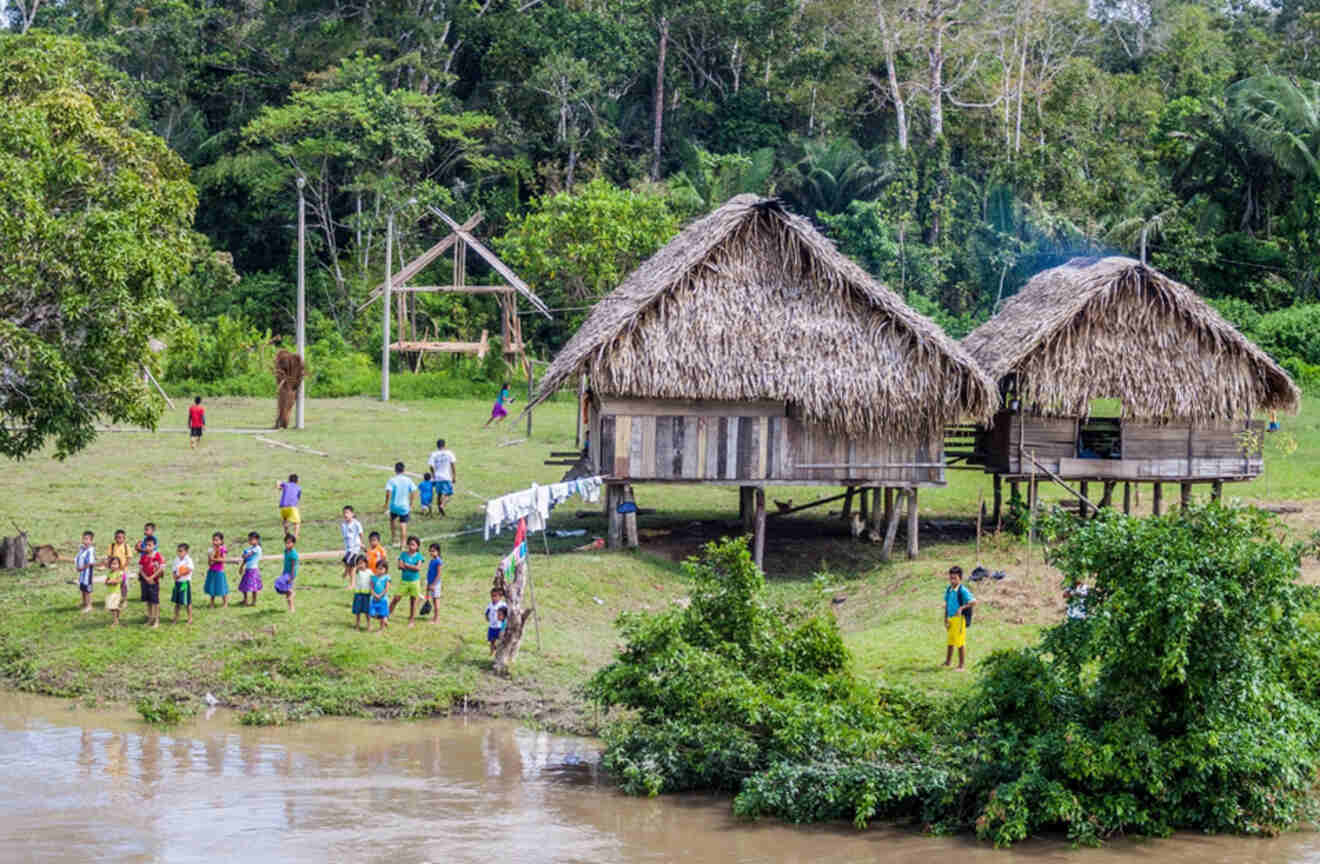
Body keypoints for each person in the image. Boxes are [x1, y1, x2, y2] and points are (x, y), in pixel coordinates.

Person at [942, 566, 976, 671]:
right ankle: (948, 662)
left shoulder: (963, 591)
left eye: (955, 578)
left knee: (960, 642)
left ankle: (961, 666)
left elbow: (974, 602)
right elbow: (947, 605)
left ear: (960, 578)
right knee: (950, 641)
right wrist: (945, 619)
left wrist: (962, 608)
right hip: (951, 619)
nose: (952, 580)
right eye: (951, 578)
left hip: (960, 619)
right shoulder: (949, 590)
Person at [384, 462, 419, 548]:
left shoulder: (392, 480)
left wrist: (386, 504)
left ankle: (393, 540)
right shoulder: (408, 480)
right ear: (404, 470)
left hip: (394, 506)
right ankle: (403, 545)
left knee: (393, 522)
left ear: (395, 470)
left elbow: (388, 493)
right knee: (403, 525)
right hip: (404, 506)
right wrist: (411, 503)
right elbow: (413, 491)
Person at [392, 536, 424, 626]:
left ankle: (411, 620)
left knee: (413, 601)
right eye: (409, 544)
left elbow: (418, 568)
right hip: (404, 581)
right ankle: (386, 614)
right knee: (396, 598)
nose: (411, 546)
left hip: (414, 582)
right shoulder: (403, 554)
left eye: (413, 545)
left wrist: (406, 565)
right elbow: (399, 566)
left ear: (417, 546)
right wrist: (410, 566)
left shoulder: (419, 556)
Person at [427, 438, 457, 516]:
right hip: (446, 477)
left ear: (437, 445)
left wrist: (433, 475)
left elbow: (431, 466)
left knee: (439, 494)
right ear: (444, 445)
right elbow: (453, 465)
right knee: (449, 493)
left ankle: (440, 511)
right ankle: (442, 505)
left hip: (437, 477)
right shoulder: (449, 453)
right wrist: (454, 476)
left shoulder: (434, 454)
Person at [139, 537, 164, 628]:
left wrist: (152, 577)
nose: (148, 547)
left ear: (154, 546)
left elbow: (161, 568)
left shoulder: (157, 555)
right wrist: (146, 578)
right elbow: (141, 569)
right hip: (145, 581)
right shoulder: (144, 556)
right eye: (146, 545)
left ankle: (156, 620)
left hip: (154, 582)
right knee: (148, 601)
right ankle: (150, 619)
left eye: (150, 545)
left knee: (155, 601)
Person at [104, 529, 132, 603]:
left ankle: (124, 600)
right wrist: (109, 565)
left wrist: (123, 567)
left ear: (124, 538)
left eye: (120, 537)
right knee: (114, 584)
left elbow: (129, 558)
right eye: (117, 537)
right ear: (114, 538)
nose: (118, 539)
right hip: (114, 570)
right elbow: (109, 557)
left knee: (124, 585)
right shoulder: (112, 546)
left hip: (123, 570)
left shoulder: (126, 546)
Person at [340, 505, 364, 587]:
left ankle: (352, 584)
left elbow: (361, 534)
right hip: (348, 548)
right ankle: (349, 573)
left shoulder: (356, 523)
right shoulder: (343, 525)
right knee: (347, 563)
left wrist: (361, 543)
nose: (345, 515)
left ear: (352, 514)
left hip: (355, 548)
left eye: (347, 513)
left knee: (351, 565)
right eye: (344, 513)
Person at [171, 543, 194, 624]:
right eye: (178, 551)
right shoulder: (176, 559)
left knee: (187, 601)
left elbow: (189, 570)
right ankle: (176, 617)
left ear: (186, 552)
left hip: (184, 583)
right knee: (177, 602)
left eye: (181, 551)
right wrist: (174, 575)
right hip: (177, 583)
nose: (179, 553)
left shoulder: (188, 560)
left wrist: (179, 575)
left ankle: (190, 618)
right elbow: (173, 569)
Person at [136, 523, 160, 602]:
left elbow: (148, 550)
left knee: (151, 580)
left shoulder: (154, 540)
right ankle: (144, 595)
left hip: (151, 564)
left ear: (152, 531)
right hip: (144, 563)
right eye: (145, 529)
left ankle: (152, 596)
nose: (145, 531)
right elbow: (140, 549)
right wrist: (137, 547)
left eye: (147, 529)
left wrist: (140, 549)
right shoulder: (144, 540)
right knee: (143, 580)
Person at [204, 533, 229, 608]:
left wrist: (214, 559)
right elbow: (210, 563)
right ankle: (212, 603)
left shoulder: (222, 549)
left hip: (219, 571)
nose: (215, 542)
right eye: (213, 540)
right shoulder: (211, 550)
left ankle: (225, 603)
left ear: (221, 541)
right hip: (212, 571)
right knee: (212, 587)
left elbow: (223, 560)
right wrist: (211, 558)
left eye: (217, 540)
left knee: (222, 587)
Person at [238, 532, 263, 606]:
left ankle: (254, 601)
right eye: (249, 539)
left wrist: (244, 555)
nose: (250, 541)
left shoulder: (257, 548)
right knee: (244, 586)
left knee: (253, 587)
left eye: (251, 539)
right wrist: (241, 567)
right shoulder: (249, 548)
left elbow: (247, 555)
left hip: (253, 570)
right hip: (248, 570)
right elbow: (245, 559)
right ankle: (245, 600)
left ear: (257, 540)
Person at [275, 534, 298, 612]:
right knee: (283, 588)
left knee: (285, 587)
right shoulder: (286, 551)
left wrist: (291, 577)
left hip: (291, 574)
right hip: (285, 573)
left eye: (289, 543)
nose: (287, 544)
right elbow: (285, 563)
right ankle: (290, 607)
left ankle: (292, 607)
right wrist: (283, 572)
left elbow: (293, 566)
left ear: (293, 543)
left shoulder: (294, 554)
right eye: (286, 543)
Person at [350, 554, 373, 631]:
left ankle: (369, 625)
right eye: (359, 563)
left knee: (367, 611)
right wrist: (356, 567)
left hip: (367, 594)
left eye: (362, 563)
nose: (361, 565)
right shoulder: (357, 571)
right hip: (358, 594)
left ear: (366, 563)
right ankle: (357, 625)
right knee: (358, 611)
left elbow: (373, 581)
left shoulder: (369, 572)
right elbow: (353, 572)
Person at [75, 531, 96, 613]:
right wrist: (77, 566)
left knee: (87, 590)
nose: (85, 541)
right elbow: (78, 558)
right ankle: (84, 603)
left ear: (91, 541)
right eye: (84, 539)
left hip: (87, 574)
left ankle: (89, 605)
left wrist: (82, 568)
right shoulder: (82, 549)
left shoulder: (90, 550)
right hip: (82, 573)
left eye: (87, 539)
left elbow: (90, 563)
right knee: (82, 588)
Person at [277, 474, 302, 540]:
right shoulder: (298, 487)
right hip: (292, 507)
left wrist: (279, 487)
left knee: (285, 521)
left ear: (289, 480)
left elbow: (278, 482)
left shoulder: (286, 484)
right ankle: (295, 537)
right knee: (297, 522)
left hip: (282, 507)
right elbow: (298, 497)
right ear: (297, 480)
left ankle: (287, 535)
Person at [104, 556, 125, 626]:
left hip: (116, 593)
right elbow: (106, 582)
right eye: (112, 564)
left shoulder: (120, 573)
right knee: (110, 607)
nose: (114, 565)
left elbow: (118, 581)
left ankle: (115, 621)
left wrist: (111, 581)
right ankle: (118, 610)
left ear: (119, 565)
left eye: (116, 564)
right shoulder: (109, 573)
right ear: (110, 565)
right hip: (109, 592)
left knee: (113, 608)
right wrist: (109, 582)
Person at [370, 562, 391, 632]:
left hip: (383, 599)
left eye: (381, 569)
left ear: (386, 570)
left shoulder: (386, 578)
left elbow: (386, 589)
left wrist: (380, 595)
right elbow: (371, 588)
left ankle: (381, 628)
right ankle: (385, 620)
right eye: (378, 568)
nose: (379, 570)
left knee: (382, 614)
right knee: (372, 613)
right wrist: (374, 595)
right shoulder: (373, 578)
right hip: (374, 599)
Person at [485, 587, 507, 655]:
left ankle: (499, 652)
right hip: (492, 626)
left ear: (500, 597)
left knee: (500, 640)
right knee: (492, 640)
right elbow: (487, 612)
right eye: (492, 596)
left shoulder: (503, 605)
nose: (493, 598)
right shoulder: (490, 605)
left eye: (495, 596)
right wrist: (487, 617)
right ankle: (492, 651)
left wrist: (504, 625)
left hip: (500, 626)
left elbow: (506, 615)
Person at [425, 542, 443, 623]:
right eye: (430, 551)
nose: (431, 553)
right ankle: (435, 617)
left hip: (435, 584)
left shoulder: (438, 561)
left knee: (436, 601)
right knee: (433, 600)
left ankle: (436, 618)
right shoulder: (432, 560)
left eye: (433, 551)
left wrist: (433, 584)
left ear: (438, 551)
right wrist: (428, 583)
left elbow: (439, 574)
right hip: (431, 582)